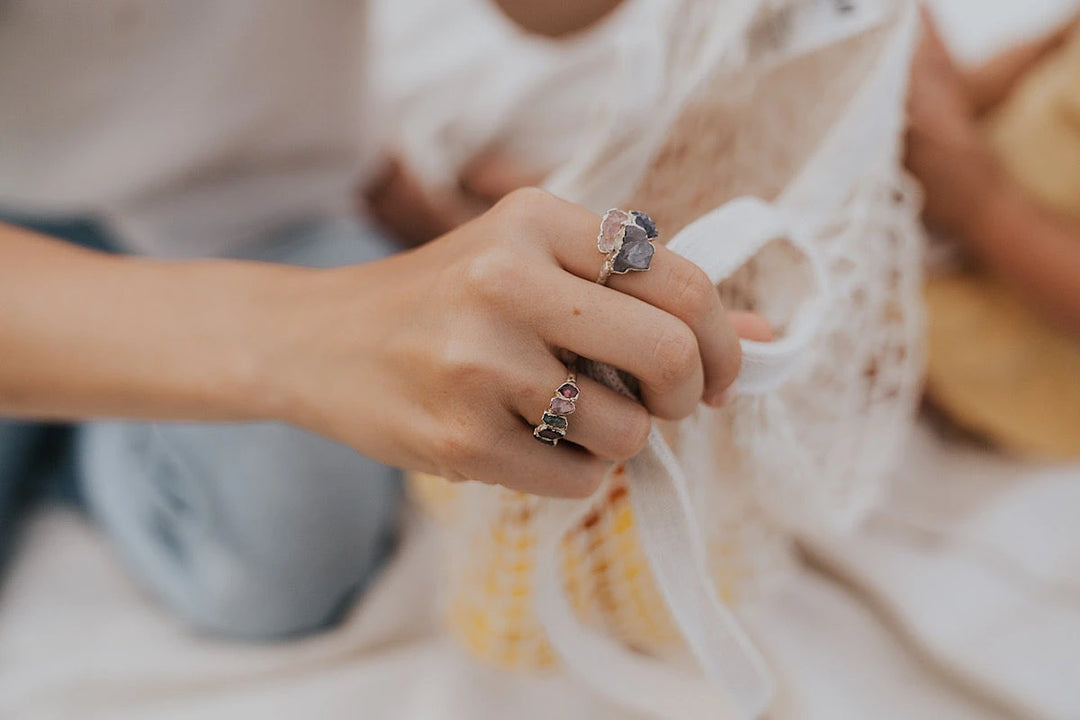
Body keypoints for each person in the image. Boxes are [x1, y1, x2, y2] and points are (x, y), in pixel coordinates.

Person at [0, 1, 754, 640]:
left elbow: (552, 15)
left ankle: (102, 423)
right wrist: (319, 338)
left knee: (286, 551)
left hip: (263, 199)